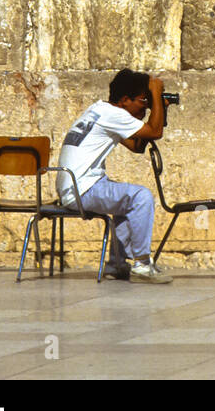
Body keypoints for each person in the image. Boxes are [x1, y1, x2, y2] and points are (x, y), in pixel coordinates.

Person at [57, 69, 172, 284]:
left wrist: (157, 109)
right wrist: (156, 93)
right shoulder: (114, 115)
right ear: (125, 99)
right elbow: (155, 132)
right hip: (82, 189)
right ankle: (142, 264)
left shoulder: (100, 110)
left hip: (74, 188)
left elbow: (137, 146)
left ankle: (117, 264)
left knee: (126, 201)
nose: (145, 106)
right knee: (141, 196)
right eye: (142, 101)